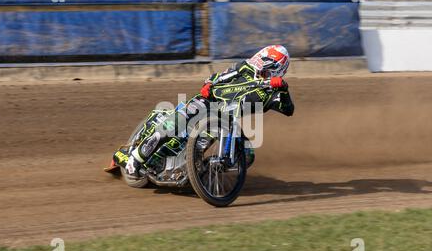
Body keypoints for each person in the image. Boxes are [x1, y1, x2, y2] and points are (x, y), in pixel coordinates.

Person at [113, 45, 295, 177]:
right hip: (208, 102)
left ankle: (201, 172)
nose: (259, 71)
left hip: (228, 121)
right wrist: (209, 83)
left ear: (277, 71)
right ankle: (137, 156)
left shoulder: (274, 92)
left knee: (247, 155)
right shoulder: (244, 67)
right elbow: (220, 76)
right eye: (259, 65)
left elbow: (288, 110)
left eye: (265, 71)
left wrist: (284, 89)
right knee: (176, 123)